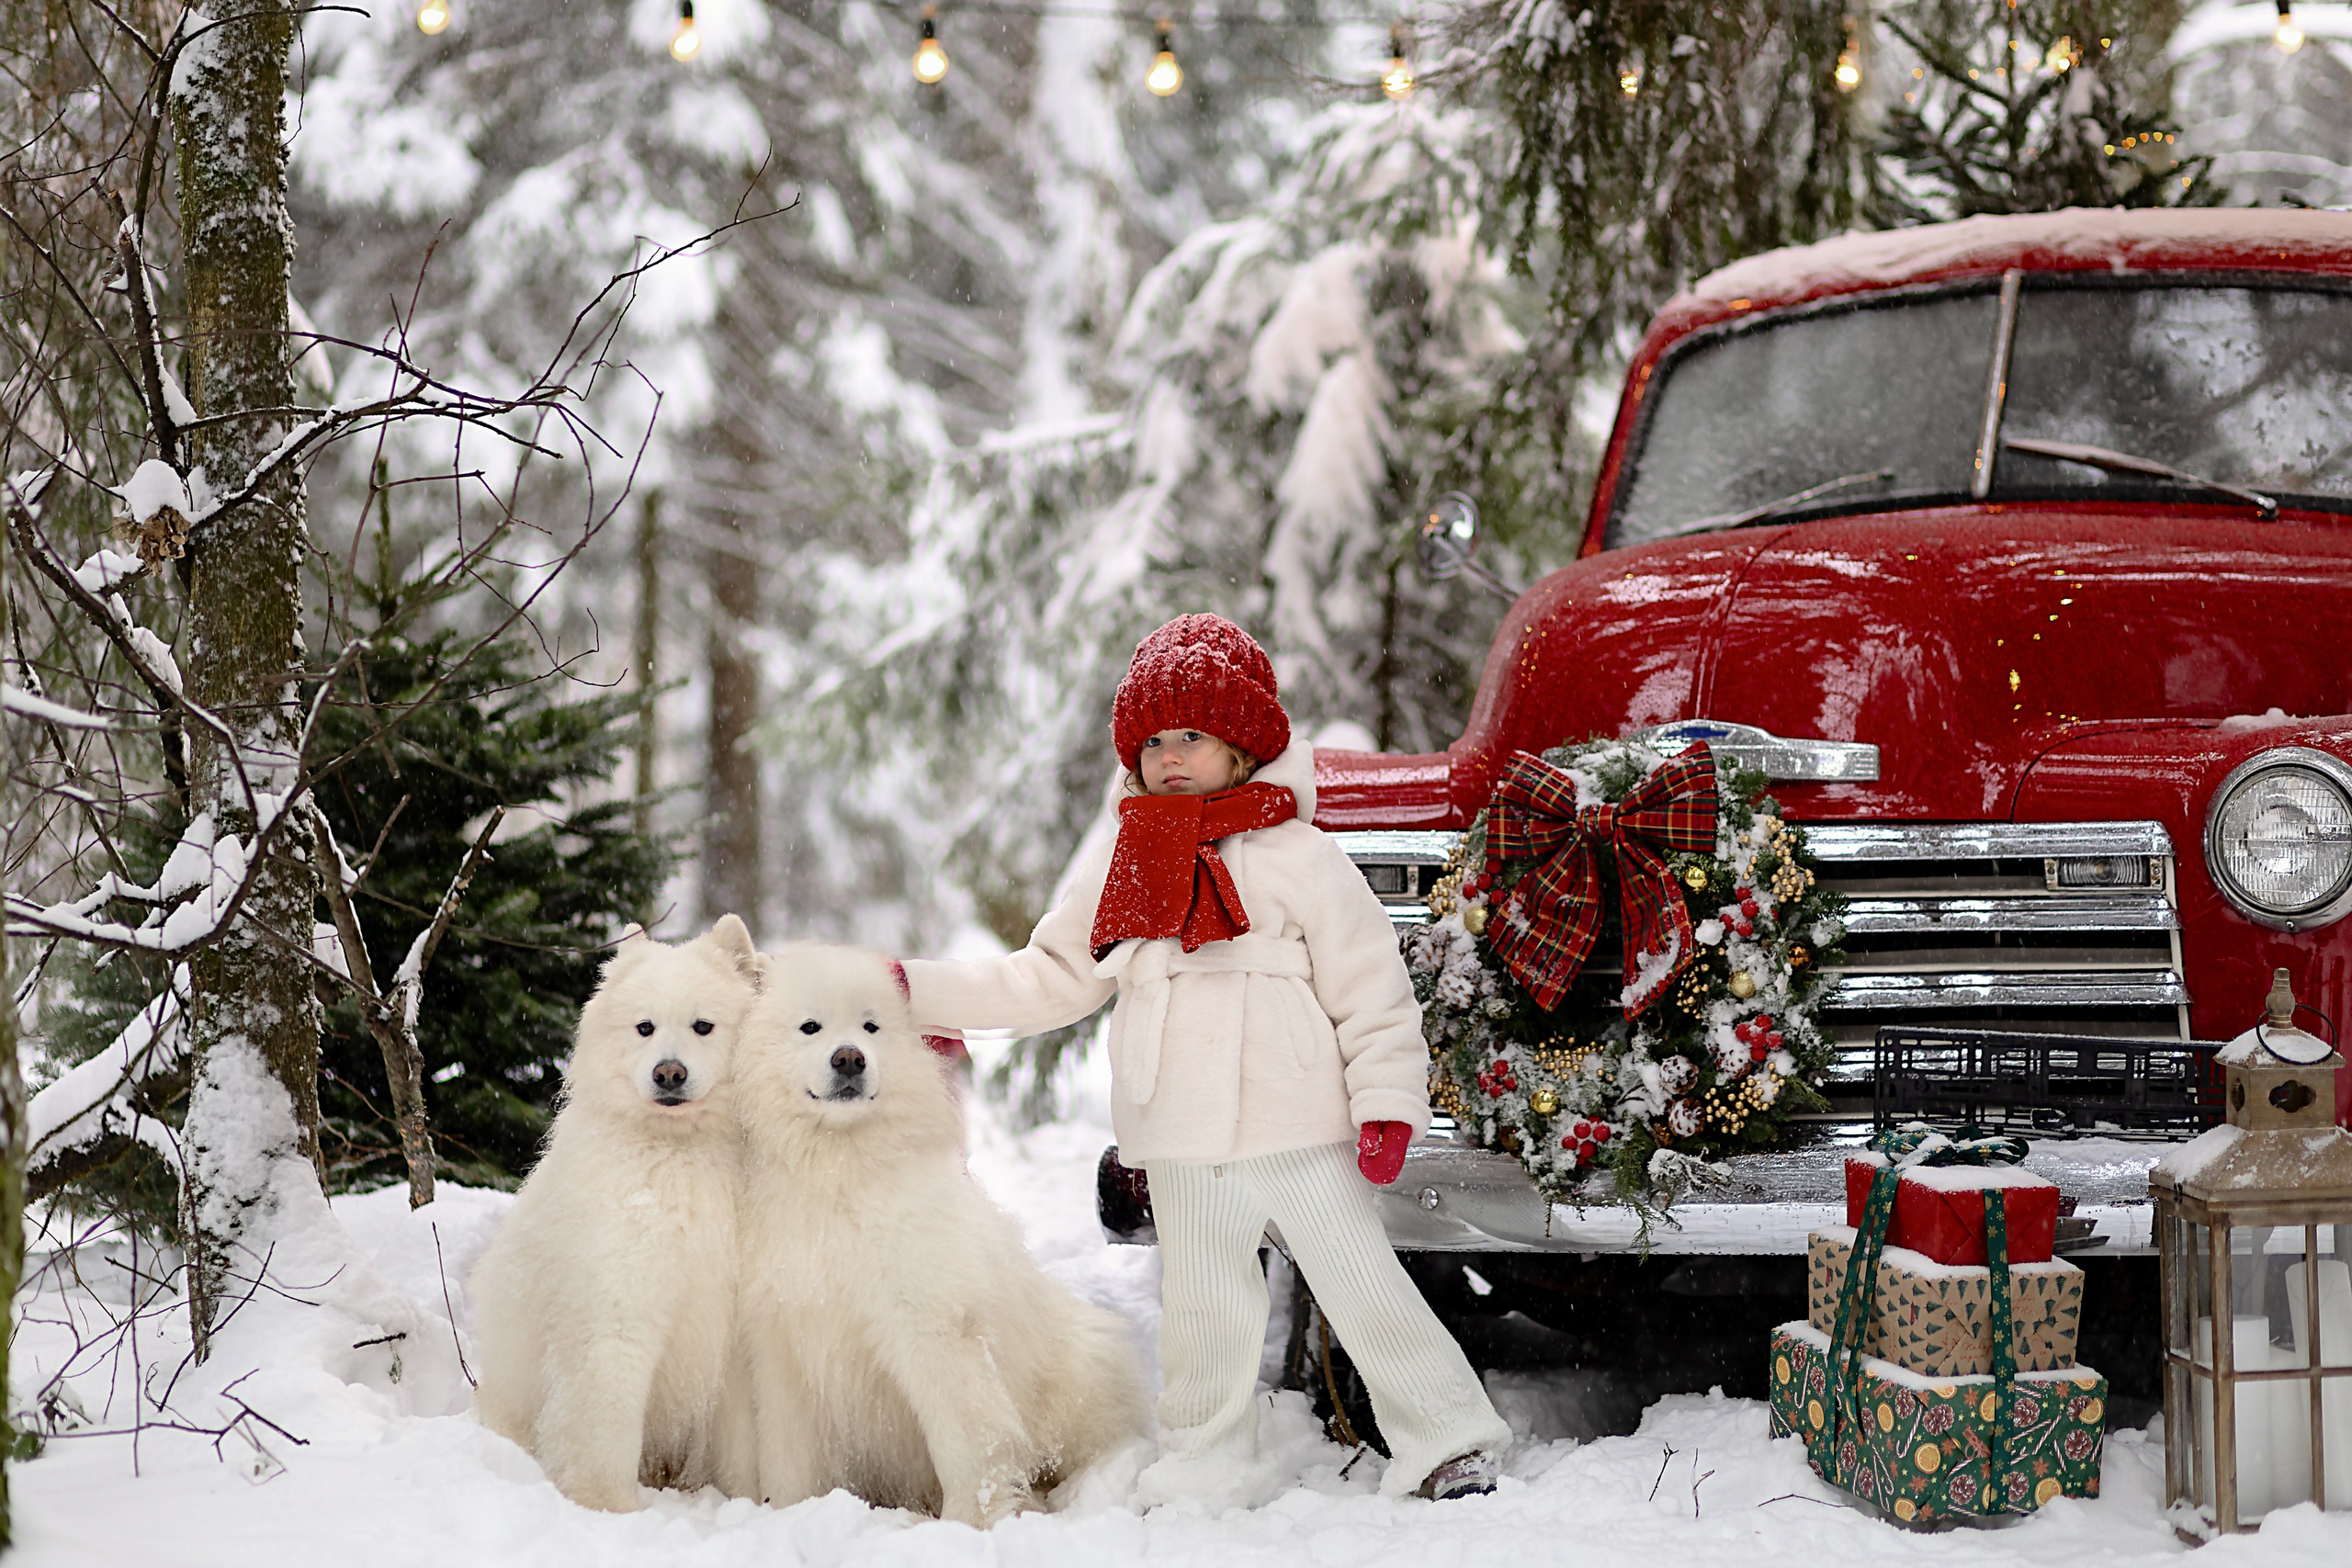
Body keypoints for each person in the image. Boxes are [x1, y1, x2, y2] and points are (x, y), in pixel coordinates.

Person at [899, 613, 1510, 1508]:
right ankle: (1204, 1461)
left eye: (1191, 735)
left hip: (1298, 1123)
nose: (1169, 757)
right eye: (1151, 742)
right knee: (1203, 1313)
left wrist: (1385, 1100)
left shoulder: (1300, 857)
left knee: (1364, 1285)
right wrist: (912, 991)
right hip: (1180, 1130)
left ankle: (1449, 1437)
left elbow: (1371, 988)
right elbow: (1048, 976)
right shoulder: (1126, 859)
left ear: (1242, 745)